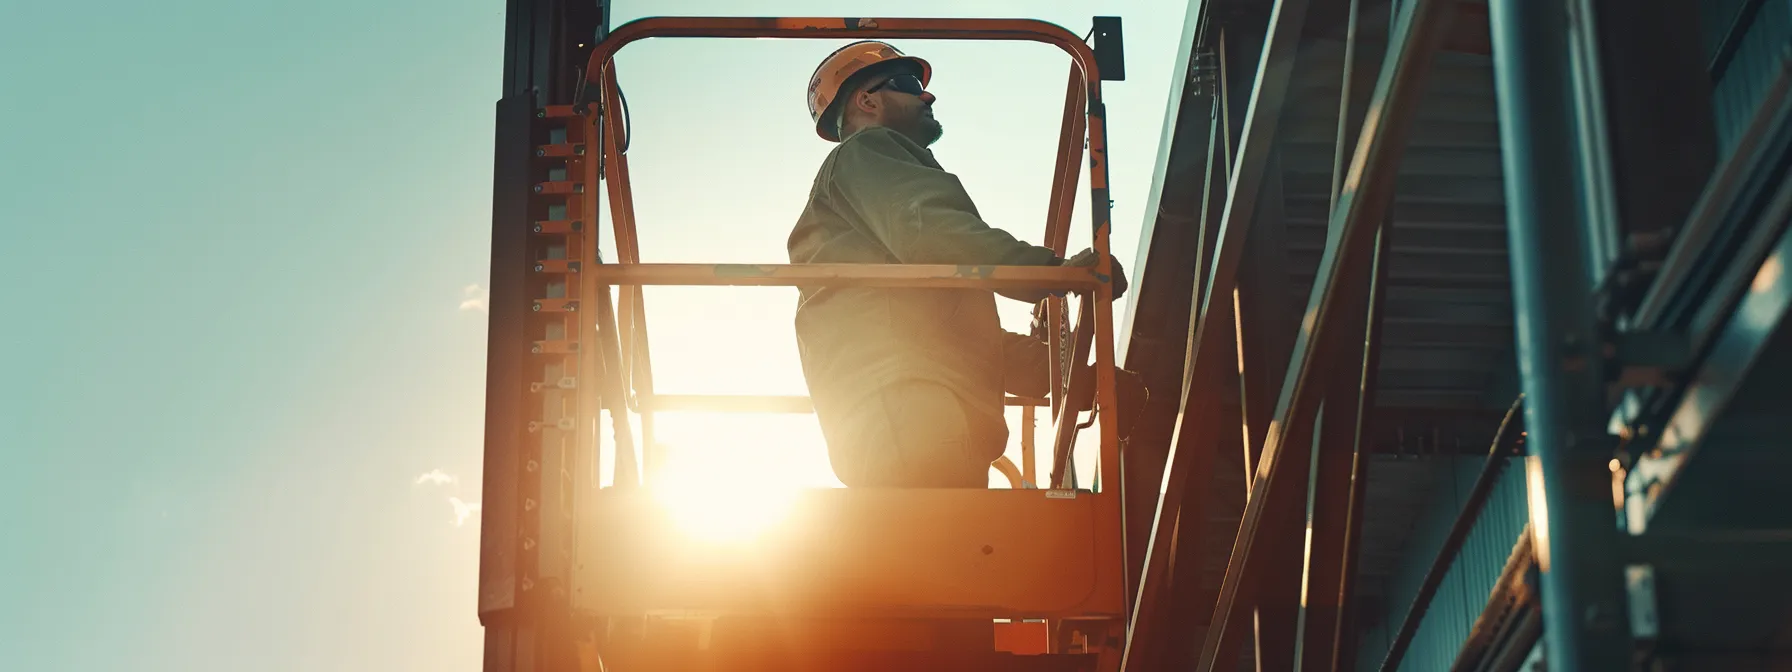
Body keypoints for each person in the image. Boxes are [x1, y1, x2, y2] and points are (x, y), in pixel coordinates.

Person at [789, 40, 1144, 492]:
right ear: (867, 100)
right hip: (912, 413)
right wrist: (1056, 273)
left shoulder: (881, 238)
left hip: (912, 417)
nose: (927, 95)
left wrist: (1078, 380)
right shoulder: (866, 153)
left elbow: (962, 339)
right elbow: (935, 232)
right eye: (910, 84)